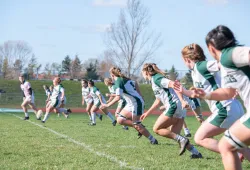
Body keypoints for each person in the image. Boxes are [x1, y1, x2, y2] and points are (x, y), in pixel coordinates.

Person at [184, 25, 250, 170]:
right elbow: (228, 92)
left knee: (226, 146)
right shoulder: (228, 64)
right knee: (228, 145)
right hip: (240, 110)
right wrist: (205, 94)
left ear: (211, 48)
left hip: (227, 109)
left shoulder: (227, 55)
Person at [173, 42, 248, 160]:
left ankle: (233, 154)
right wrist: (184, 91)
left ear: (187, 59)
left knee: (199, 138)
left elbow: (221, 64)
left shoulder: (200, 66)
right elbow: (197, 94)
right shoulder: (195, 71)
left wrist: (235, 82)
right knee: (236, 142)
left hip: (224, 109)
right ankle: (237, 154)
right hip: (233, 107)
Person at [140, 63, 202, 157]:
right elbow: (158, 101)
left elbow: (175, 85)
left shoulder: (157, 78)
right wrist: (147, 113)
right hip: (178, 107)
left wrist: (182, 100)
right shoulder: (154, 80)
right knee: (175, 134)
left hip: (174, 105)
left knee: (156, 129)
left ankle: (184, 141)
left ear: (146, 72)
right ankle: (196, 153)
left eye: (142, 73)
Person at [101, 67, 159, 145]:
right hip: (130, 104)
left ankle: (153, 140)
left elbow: (118, 97)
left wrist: (107, 105)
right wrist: (140, 95)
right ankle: (139, 126)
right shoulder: (123, 79)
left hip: (136, 103)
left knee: (136, 124)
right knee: (120, 119)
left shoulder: (119, 81)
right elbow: (135, 83)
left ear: (112, 75)